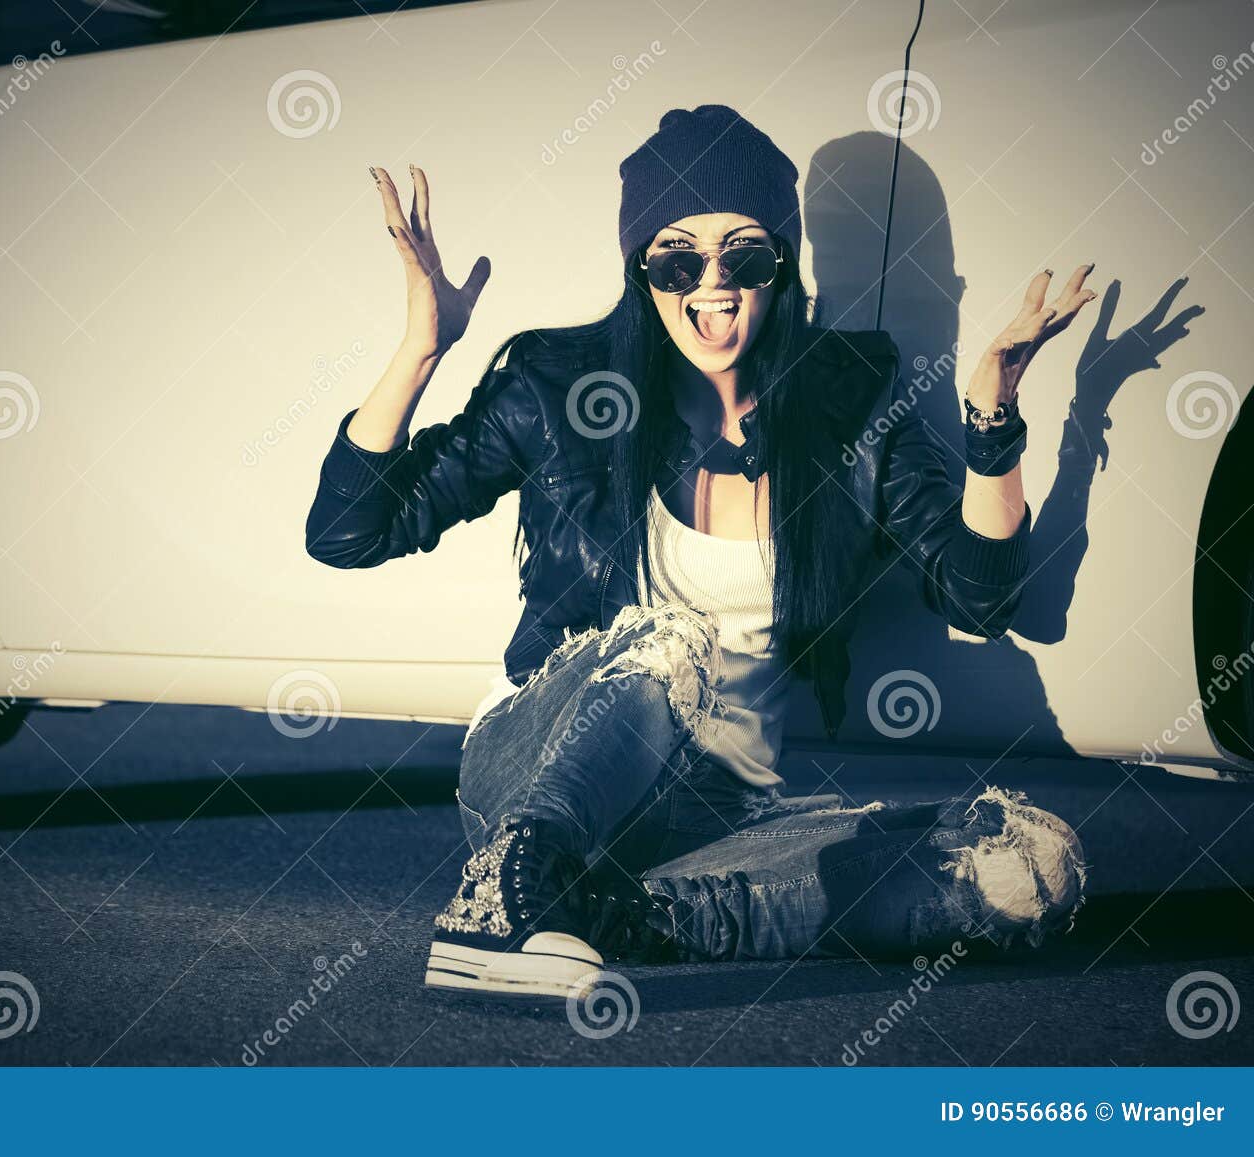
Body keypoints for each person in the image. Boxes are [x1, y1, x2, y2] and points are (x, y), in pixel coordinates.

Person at [305, 105, 1095, 998]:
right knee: (669, 639)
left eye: (744, 255)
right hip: (546, 763)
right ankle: (505, 900)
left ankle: (622, 914)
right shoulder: (560, 384)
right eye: (677, 257)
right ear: (642, 270)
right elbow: (349, 533)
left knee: (1023, 863)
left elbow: (980, 599)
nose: (710, 285)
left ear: (781, 267)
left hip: (724, 804)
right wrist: (422, 349)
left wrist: (993, 419)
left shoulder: (852, 400)